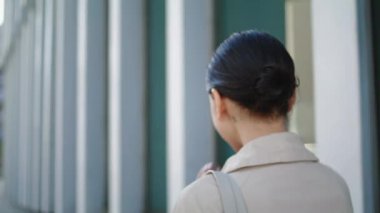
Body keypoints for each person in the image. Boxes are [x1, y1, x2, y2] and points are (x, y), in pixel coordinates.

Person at [172, 30, 353, 213]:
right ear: (292, 98)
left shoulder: (201, 200)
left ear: (219, 102)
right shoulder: (336, 185)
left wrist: (204, 193)